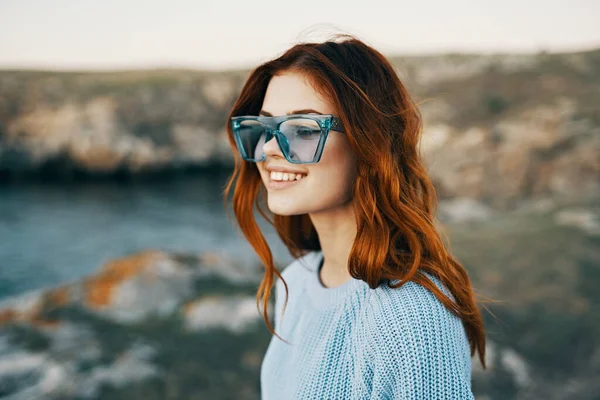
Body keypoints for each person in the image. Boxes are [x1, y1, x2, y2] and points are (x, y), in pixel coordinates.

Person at [223, 33, 487, 399]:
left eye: (302, 129)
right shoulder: (297, 281)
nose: (268, 149)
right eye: (264, 127)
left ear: (369, 143)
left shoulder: (411, 318)